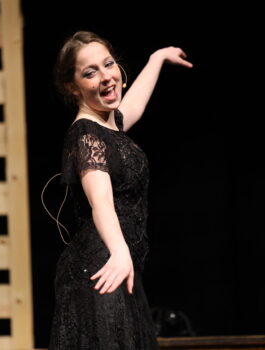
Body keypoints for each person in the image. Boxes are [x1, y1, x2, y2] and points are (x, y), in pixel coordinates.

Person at [47, 30, 193, 349]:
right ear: (72, 87)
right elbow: (101, 203)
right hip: (103, 267)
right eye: (90, 72)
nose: (106, 77)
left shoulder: (108, 126)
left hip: (118, 265)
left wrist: (157, 58)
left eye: (108, 64)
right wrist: (119, 250)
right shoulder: (86, 135)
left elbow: (133, 105)